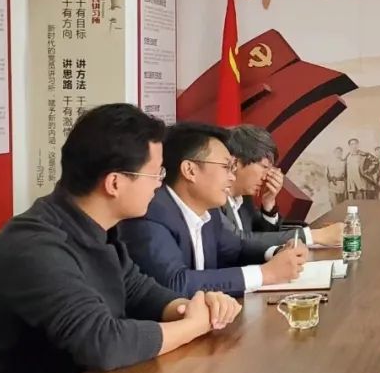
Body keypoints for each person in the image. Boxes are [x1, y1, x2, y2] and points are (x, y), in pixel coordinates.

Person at [0, 104, 242, 373]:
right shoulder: (34, 247)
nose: (159, 184)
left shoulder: (96, 227)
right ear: (114, 183)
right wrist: (194, 326)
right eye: (156, 174)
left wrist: (192, 306)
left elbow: (139, 290)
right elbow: (103, 343)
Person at [119, 122, 307, 297]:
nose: (232, 177)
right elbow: (175, 283)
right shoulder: (151, 214)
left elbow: (237, 249)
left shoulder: (210, 211)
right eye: (226, 167)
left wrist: (278, 253)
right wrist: (265, 274)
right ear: (190, 170)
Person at [223, 124, 343, 249]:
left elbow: (261, 242)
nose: (266, 177)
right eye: (264, 167)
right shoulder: (216, 202)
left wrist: (269, 203)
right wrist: (314, 236)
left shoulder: (244, 199)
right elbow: (242, 243)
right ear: (236, 162)